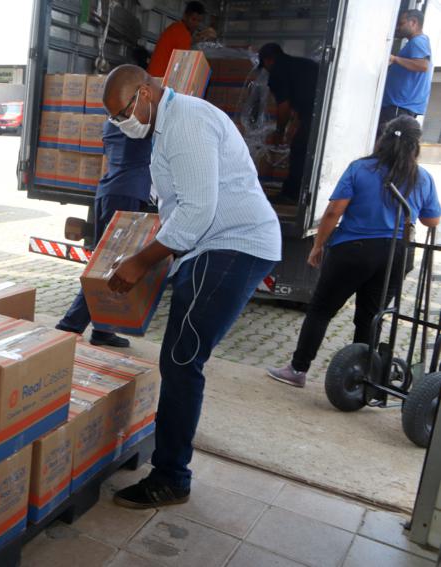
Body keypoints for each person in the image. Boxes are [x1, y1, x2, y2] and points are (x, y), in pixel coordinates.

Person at [102, 64, 282, 508]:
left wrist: (142, 261)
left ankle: (171, 477)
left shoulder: (185, 125)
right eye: (115, 119)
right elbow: (181, 205)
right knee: (180, 356)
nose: (123, 123)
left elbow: (200, 211)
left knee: (182, 360)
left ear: (144, 93)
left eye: (124, 111)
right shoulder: (169, 123)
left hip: (231, 244)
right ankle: (169, 464)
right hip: (215, 246)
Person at [267, 116, 441, 388]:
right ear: (415, 145)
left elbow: (334, 211)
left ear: (383, 139)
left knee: (322, 310)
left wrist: (318, 245)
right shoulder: (422, 177)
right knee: (371, 317)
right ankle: (361, 378)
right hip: (396, 255)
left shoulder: (360, 168)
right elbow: (432, 221)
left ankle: (298, 370)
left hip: (353, 251)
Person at [55, 120, 152, 347]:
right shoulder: (136, 122)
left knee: (106, 264)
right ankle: (69, 326)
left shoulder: (111, 122)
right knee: (111, 268)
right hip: (126, 192)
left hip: (110, 191)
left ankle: (103, 329)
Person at [258, 43, 319, 204]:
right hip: (325, 112)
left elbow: (283, 106)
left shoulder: (278, 72)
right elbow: (302, 99)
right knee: (311, 152)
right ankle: (307, 193)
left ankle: (292, 195)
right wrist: (295, 124)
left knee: (299, 150)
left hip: (314, 115)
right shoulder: (304, 64)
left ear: (268, 60)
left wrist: (279, 131)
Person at [378, 10, 433, 135]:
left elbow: (423, 66)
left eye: (401, 23)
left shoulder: (418, 41)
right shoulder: (418, 42)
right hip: (399, 107)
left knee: (388, 145)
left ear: (413, 22)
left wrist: (394, 59)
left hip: (399, 107)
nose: (398, 27)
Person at [146, 2, 216, 78]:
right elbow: (183, 63)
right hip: (160, 78)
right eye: (193, 19)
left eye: (199, 21)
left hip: (153, 75)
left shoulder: (175, 28)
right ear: (185, 16)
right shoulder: (182, 33)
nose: (196, 24)